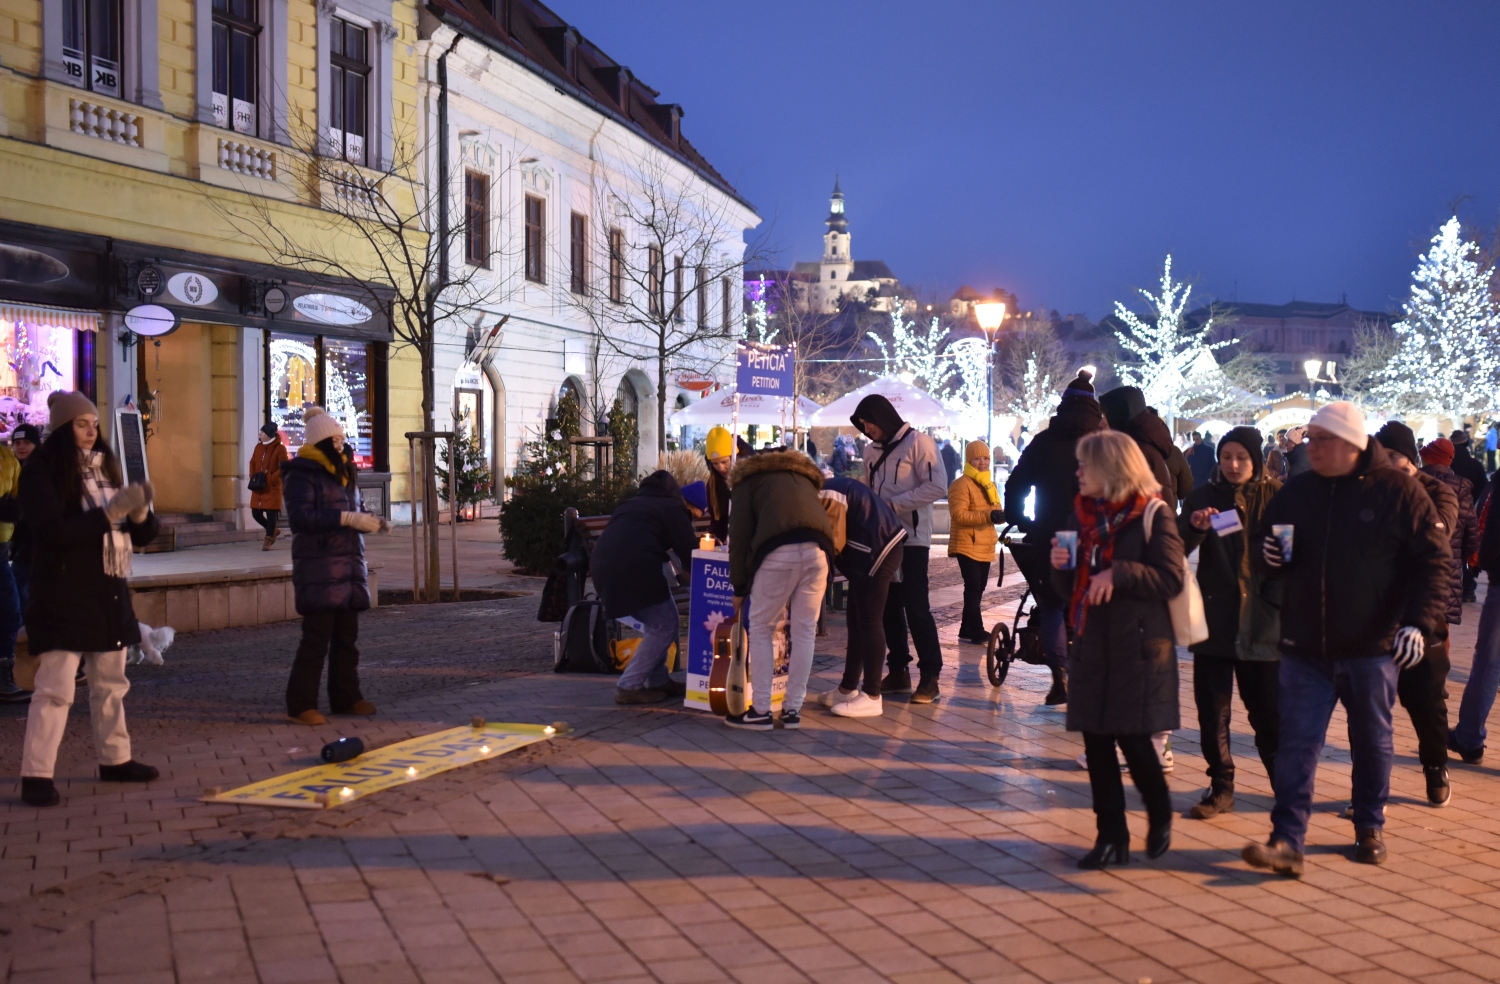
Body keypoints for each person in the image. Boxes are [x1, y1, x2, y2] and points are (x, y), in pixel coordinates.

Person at [1242, 403, 1449, 876]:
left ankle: (1369, 825)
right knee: (1296, 743)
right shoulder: (1298, 492)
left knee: (1373, 740)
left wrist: (1417, 622)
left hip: (1372, 646)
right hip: (1305, 645)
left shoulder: (1399, 491)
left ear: (1352, 443)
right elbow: (1264, 542)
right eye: (1310, 438)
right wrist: (1268, 554)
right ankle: (1286, 839)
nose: (1311, 447)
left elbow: (1433, 561)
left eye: (1322, 439)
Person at [17, 392, 162, 807]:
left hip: (107, 590)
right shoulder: (42, 471)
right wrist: (110, 512)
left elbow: (140, 535)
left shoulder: (105, 467)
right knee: (55, 688)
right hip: (62, 593)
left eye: (94, 424)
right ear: (64, 428)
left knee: (112, 683)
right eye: (81, 424)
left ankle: (116, 759)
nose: (91, 431)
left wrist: (139, 515)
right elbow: (52, 533)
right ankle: (36, 774)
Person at [1050, 430, 1184, 869]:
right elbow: (1069, 587)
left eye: (1085, 464)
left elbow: (1171, 577)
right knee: (1097, 743)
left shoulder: (1153, 514)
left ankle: (1159, 810)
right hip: (1091, 641)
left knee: (1134, 738)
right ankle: (1111, 836)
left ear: (1112, 469)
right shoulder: (1081, 515)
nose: (1078, 472)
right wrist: (1060, 567)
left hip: (1139, 646)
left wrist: (1119, 573)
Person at [1177, 427, 1282, 819]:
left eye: (1241, 457)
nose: (1233, 465)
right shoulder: (1203, 497)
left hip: (1263, 622)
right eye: (1226, 457)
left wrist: (1278, 597)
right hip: (1216, 620)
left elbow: (1292, 555)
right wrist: (1195, 527)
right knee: (1213, 712)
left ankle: (1285, 785)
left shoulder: (1277, 497)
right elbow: (1176, 546)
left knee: (1269, 715)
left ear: (1256, 460)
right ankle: (1221, 786)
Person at [1372, 425, 1468, 807]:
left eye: (1394, 457)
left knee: (1426, 701)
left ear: (1410, 459)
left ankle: (1435, 764)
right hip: (1376, 614)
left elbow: (1438, 534)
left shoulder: (1438, 491)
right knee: (1368, 707)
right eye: (1382, 457)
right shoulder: (1371, 490)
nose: (1387, 464)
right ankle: (1368, 789)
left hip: (1423, 611)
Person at [1003, 370, 1105, 705]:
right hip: (1092, 533)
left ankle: (1059, 675)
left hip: (1051, 532)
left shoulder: (1044, 441)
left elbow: (1017, 482)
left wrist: (1019, 517)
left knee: (1051, 603)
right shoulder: (1103, 442)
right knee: (1088, 601)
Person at [282, 406, 388, 725]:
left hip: (349, 567)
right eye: (336, 440)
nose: (342, 444)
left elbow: (354, 511)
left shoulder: (345, 471)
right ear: (320, 442)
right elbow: (301, 519)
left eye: (343, 439)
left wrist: (372, 522)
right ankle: (301, 704)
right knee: (316, 641)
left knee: (347, 640)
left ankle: (347, 697)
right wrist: (346, 518)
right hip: (321, 569)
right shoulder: (302, 473)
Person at [726, 449, 833, 730]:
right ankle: (792, 710)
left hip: (777, 552)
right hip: (819, 551)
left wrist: (739, 587)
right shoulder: (802, 476)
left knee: (761, 627)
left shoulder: (747, 480)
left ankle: (761, 710)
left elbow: (739, 535)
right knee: (805, 630)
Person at [851, 394, 947, 703]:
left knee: (916, 606)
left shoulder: (920, 444)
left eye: (869, 423)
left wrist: (894, 505)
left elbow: (937, 486)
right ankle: (898, 670)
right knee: (887, 606)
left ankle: (930, 676)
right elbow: (870, 487)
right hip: (881, 538)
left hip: (912, 538)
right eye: (862, 425)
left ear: (882, 417)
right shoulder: (870, 450)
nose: (867, 430)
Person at [591, 470, 697, 705]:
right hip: (634, 568)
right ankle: (628, 686)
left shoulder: (634, 503)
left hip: (604, 567)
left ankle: (658, 680)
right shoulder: (672, 507)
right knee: (664, 625)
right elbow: (690, 552)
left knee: (659, 622)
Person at [816, 475, 907, 718]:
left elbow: (832, 541)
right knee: (857, 621)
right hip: (873, 548)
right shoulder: (827, 489)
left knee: (869, 620)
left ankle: (872, 695)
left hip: (876, 549)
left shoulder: (827, 493)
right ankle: (847, 689)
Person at [948, 441, 1002, 644]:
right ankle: (977, 629)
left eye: (986, 458)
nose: (982, 462)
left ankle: (965, 629)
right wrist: (989, 515)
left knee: (979, 587)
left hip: (985, 542)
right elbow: (959, 515)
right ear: (969, 460)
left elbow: (995, 509)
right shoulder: (961, 485)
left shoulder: (989, 484)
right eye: (977, 458)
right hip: (967, 542)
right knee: (973, 586)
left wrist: (999, 515)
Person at [1098, 386, 1192, 502]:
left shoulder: (1133, 451)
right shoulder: (1151, 445)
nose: (1100, 423)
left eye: (1105, 416)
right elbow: (1185, 488)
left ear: (1120, 415)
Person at [1449, 430, 1486, 601]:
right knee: (1467, 550)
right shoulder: (1475, 465)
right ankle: (1468, 588)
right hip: (1469, 512)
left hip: (1447, 513)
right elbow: (1484, 489)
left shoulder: (1446, 463)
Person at [0, 435, 23, 704]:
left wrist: (14, 507)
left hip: (2, 547)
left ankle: (4, 676)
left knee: (10, 610)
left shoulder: (7, 457)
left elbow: (19, 495)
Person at [9, 423, 39, 615]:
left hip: (34, 544)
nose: (21, 447)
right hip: (22, 545)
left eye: (27, 442)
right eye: (17, 442)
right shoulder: (13, 471)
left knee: (18, 586)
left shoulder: (39, 472)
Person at [249, 421, 288, 550]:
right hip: (258, 484)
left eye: (262, 432)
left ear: (269, 434)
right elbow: (252, 462)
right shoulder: (258, 447)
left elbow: (283, 467)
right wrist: (252, 475)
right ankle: (273, 530)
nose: (260, 434)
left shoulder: (280, 449)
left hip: (272, 486)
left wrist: (272, 478)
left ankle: (268, 539)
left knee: (271, 513)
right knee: (256, 513)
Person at [702, 426, 733, 542]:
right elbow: (716, 521)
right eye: (715, 463)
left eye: (724, 462)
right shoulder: (712, 484)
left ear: (733, 458)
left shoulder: (746, 480)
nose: (720, 468)